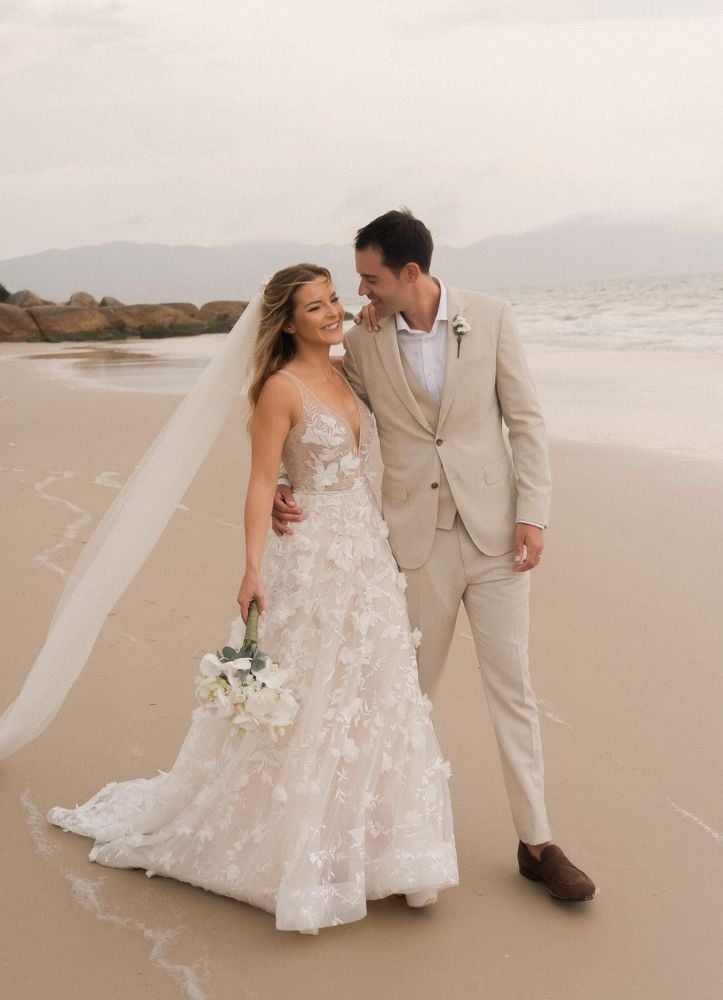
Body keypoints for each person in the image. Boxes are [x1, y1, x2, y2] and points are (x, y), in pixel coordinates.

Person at [46, 263, 458, 934]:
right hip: (314, 558)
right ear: (287, 322)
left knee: (376, 688)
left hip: (369, 554)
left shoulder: (350, 367)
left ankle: (396, 853)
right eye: (314, 306)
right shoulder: (281, 388)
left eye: (332, 300)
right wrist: (251, 567)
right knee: (311, 692)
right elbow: (261, 483)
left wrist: (380, 312)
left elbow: (391, 333)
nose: (330, 312)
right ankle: (299, 849)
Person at [274, 211, 596, 902]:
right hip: (415, 541)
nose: (361, 292)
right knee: (407, 692)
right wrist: (281, 478)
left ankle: (538, 842)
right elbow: (316, 406)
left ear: (410, 273)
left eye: (370, 278)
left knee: (513, 687)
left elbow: (527, 421)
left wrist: (533, 513)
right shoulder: (362, 341)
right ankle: (390, 841)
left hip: (499, 537)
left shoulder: (492, 317)